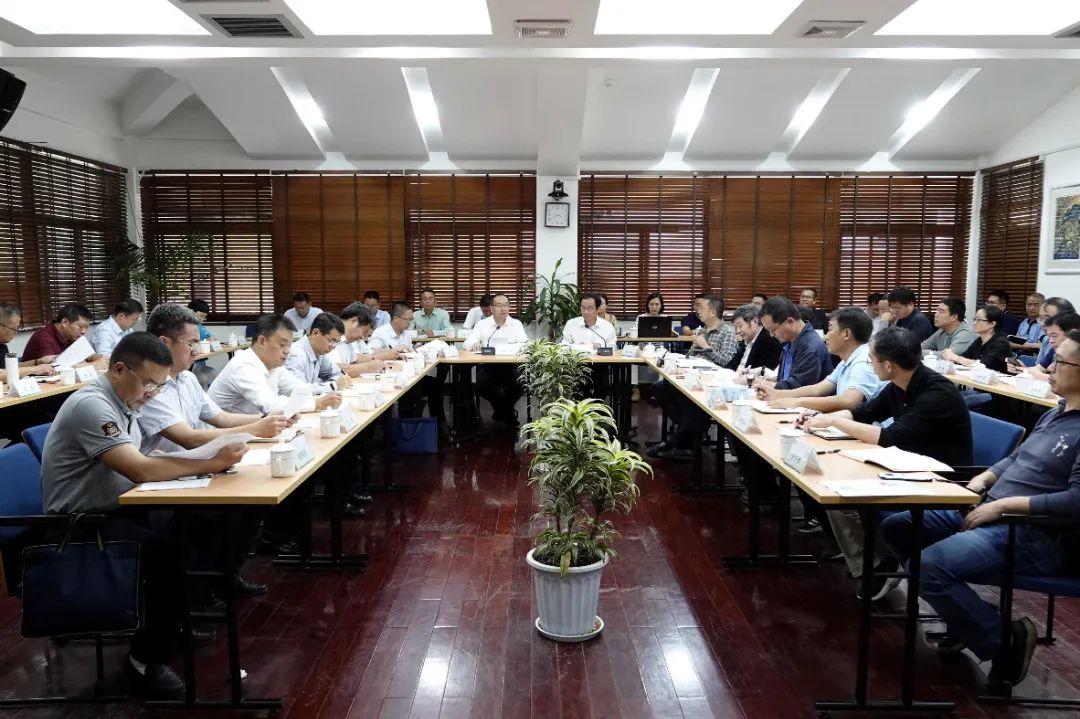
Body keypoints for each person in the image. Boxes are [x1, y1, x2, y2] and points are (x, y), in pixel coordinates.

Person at [40, 332, 248, 698]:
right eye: (149, 383)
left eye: (159, 385)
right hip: (81, 526)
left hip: (122, 508)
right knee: (169, 555)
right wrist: (210, 462)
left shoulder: (125, 401)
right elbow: (139, 468)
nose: (152, 393)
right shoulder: (93, 405)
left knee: (204, 521)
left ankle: (174, 620)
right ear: (120, 370)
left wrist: (196, 465)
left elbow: (143, 464)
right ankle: (144, 661)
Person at [880, 330, 1080, 692]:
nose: (1049, 368)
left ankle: (1002, 642)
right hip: (992, 509)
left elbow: (1076, 501)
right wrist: (987, 477)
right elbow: (1018, 457)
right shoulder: (1057, 412)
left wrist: (1003, 506)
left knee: (929, 567)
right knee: (898, 527)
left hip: (1036, 532)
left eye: (1061, 362)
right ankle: (966, 618)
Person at [804, 326, 972, 600]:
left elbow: (889, 437)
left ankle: (882, 561)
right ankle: (875, 562)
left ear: (889, 365)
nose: (870, 364)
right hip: (904, 466)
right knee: (833, 491)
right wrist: (820, 419)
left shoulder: (936, 393)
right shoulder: (899, 384)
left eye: (872, 359)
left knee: (845, 500)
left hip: (937, 478)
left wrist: (834, 420)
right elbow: (865, 412)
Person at [138, 304, 290, 454]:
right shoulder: (149, 386)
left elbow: (222, 419)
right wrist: (255, 429)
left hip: (194, 462)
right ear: (164, 343)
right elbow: (189, 439)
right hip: (167, 468)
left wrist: (270, 418)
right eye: (192, 344)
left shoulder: (188, 378)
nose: (196, 352)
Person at [647, 295, 739, 460]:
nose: (698, 311)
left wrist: (706, 347)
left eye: (702, 308)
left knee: (689, 402)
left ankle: (681, 442)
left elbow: (726, 362)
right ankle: (688, 430)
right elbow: (690, 355)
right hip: (692, 376)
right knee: (659, 388)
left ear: (713, 312)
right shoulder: (702, 330)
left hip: (711, 381)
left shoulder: (727, 333)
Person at [209, 314, 342, 416]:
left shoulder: (274, 365)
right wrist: (316, 403)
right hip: (222, 437)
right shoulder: (243, 365)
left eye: (289, 345)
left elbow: (300, 389)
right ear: (262, 341)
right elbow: (270, 405)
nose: (287, 351)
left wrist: (320, 398)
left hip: (251, 431)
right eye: (282, 345)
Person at [756, 307, 883, 413]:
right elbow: (819, 388)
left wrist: (798, 402)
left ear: (846, 334)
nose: (825, 336)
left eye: (830, 329)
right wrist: (777, 394)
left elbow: (849, 401)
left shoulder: (863, 362)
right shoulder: (848, 360)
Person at [463, 293, 529, 426]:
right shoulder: (482, 324)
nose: (503, 308)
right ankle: (507, 412)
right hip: (488, 366)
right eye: (499, 305)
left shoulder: (516, 324)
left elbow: (526, 344)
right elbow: (467, 343)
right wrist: (474, 344)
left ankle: (501, 412)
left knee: (521, 383)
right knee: (482, 385)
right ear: (492, 309)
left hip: (511, 365)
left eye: (506, 305)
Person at [757, 296, 832, 390]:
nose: (772, 335)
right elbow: (783, 380)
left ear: (790, 321)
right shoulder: (790, 341)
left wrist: (757, 382)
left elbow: (797, 388)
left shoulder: (811, 347)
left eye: (772, 330)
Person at [20, 303, 107, 368]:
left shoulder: (72, 336)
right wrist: (95, 365)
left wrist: (101, 359)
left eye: (86, 327)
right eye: (80, 326)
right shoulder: (44, 337)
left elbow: (90, 355)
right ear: (65, 322)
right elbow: (57, 368)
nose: (84, 331)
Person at [285, 312, 353, 393]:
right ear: (315, 332)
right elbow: (297, 390)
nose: (333, 347)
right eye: (332, 341)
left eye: (336, 343)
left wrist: (322, 385)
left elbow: (338, 375)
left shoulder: (319, 353)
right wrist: (332, 386)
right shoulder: (296, 354)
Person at [333, 301, 402, 377]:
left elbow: (356, 359)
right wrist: (368, 367)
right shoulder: (332, 336)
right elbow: (336, 370)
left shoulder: (348, 340)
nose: (362, 337)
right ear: (354, 321)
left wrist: (382, 359)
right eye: (364, 331)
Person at [943, 303, 1011, 373]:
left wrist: (955, 357)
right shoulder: (979, 341)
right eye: (974, 319)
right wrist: (952, 358)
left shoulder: (1001, 343)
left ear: (992, 324)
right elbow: (964, 357)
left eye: (979, 320)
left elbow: (983, 365)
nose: (974, 323)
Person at [1014, 312, 1080, 382]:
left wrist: (1036, 374)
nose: (1051, 341)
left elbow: (1064, 381)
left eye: (1054, 336)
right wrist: (1018, 368)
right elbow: (1038, 368)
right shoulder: (1055, 349)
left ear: (1072, 334)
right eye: (1049, 336)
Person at [0, 303, 57, 382]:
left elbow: (9, 368)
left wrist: (37, 362)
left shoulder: (2, 344)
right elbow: (1, 374)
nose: (16, 333)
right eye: (13, 329)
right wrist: (36, 369)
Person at [727, 303, 781, 374]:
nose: (737, 331)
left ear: (755, 322)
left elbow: (761, 375)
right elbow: (731, 365)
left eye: (740, 326)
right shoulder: (747, 339)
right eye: (736, 327)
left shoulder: (768, 342)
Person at [1034, 297, 1075, 370]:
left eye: (1048, 318)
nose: (1043, 323)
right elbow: (1038, 368)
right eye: (1041, 318)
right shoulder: (1048, 340)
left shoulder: (1075, 344)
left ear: (1065, 318)